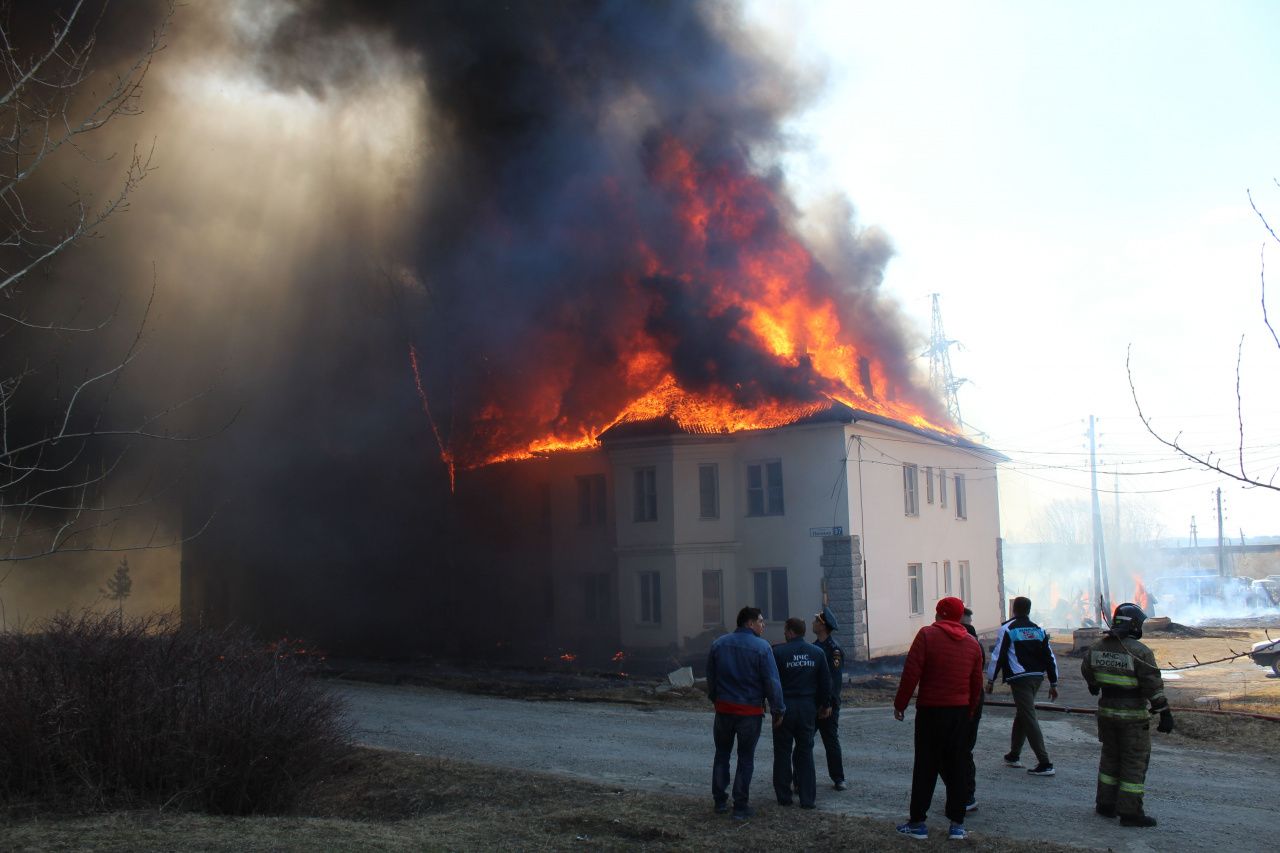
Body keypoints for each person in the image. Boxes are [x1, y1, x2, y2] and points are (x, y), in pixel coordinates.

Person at [893, 596, 984, 841]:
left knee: (926, 765)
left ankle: (918, 823)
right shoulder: (972, 644)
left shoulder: (926, 636)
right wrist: (970, 711)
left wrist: (900, 704)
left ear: (941, 614)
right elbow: (977, 684)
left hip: (930, 712)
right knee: (957, 766)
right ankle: (957, 825)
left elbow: (912, 672)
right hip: (960, 712)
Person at [1080, 602, 1173, 828]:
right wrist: (1164, 712)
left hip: (1107, 714)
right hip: (1132, 718)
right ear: (1133, 625)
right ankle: (1131, 813)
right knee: (1133, 762)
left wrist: (1095, 684)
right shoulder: (1139, 651)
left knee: (1110, 759)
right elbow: (1152, 685)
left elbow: (1087, 670)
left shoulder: (1097, 647)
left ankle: (1105, 804)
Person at [706, 606, 786, 820]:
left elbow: (711, 679)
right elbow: (772, 681)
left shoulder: (719, 644)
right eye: (761, 621)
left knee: (722, 754)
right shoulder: (762, 648)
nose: (763, 625)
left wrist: (716, 699)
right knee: (745, 758)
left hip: (724, 710)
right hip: (749, 712)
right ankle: (740, 806)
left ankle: (720, 802)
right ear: (749, 623)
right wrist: (778, 709)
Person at [986, 595, 1059, 776]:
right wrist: (1053, 682)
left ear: (1014, 609)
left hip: (1020, 678)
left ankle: (1045, 763)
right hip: (1037, 678)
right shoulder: (1038, 629)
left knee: (1028, 716)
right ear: (1029, 610)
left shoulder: (1007, 629)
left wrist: (990, 680)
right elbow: (1050, 657)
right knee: (1023, 713)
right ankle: (1013, 755)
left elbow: (998, 656)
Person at [771, 617, 832, 810]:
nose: (784, 634)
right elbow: (825, 682)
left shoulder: (778, 652)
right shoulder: (817, 653)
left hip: (785, 708)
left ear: (790, 632)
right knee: (805, 752)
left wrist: (774, 707)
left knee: (782, 752)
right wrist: (825, 705)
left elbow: (772, 683)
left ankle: (784, 797)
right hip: (807, 709)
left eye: (785, 631)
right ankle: (808, 799)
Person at [811, 606, 846, 791]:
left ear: (823, 626)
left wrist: (829, 703)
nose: (813, 623)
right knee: (805, 740)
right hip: (813, 702)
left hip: (828, 704)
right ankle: (799, 778)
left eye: (816, 620)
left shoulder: (834, 650)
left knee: (830, 740)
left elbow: (835, 680)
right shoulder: (813, 647)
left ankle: (838, 778)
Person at [960, 607, 985, 813]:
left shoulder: (964, 642)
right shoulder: (976, 642)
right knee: (964, 749)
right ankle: (965, 795)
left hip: (962, 702)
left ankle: (965, 795)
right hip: (972, 702)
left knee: (959, 751)